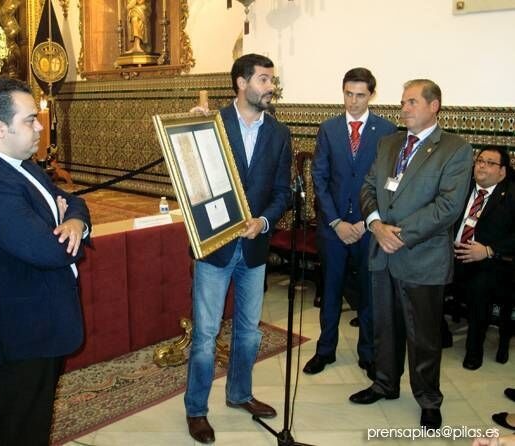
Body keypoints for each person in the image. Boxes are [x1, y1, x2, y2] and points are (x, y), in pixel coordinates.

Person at [0, 78, 91, 446]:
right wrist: (61, 226)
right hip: (14, 336)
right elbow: (49, 251)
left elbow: (73, 201)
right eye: (30, 120)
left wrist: (74, 221)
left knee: (32, 424)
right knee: (20, 431)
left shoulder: (17, 164)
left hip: (33, 324)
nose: (40, 126)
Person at [349, 79, 472, 430]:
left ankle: (429, 400)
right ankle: (384, 384)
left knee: (423, 337)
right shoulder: (389, 143)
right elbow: (368, 187)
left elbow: (448, 206)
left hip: (422, 257)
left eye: (412, 102)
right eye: (403, 102)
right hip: (382, 252)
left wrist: (398, 235)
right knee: (384, 328)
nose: (404, 108)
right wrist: (376, 225)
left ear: (434, 106)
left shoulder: (455, 148)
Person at [184, 53, 292, 444]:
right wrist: (192, 129)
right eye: (264, 79)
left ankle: (239, 393)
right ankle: (196, 410)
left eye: (271, 80)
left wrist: (263, 221)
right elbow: (189, 175)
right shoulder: (210, 123)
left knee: (248, 332)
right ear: (241, 83)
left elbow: (282, 192)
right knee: (206, 334)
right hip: (215, 248)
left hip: (255, 247)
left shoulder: (279, 133)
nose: (270, 87)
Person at [303, 68, 396, 379]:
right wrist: (335, 222)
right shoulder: (328, 129)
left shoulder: (386, 130)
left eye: (360, 95)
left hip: (369, 228)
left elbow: (388, 182)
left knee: (369, 293)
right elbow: (319, 177)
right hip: (334, 228)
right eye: (348, 94)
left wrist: (368, 221)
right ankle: (325, 349)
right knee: (330, 290)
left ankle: (368, 353)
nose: (353, 101)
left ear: (371, 95)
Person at [453, 146, 515, 370]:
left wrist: (488, 250)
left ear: (502, 172)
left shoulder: (510, 196)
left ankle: (474, 351)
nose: (482, 166)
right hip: (452, 255)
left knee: (479, 289)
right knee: (424, 277)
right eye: (480, 161)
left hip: (489, 262)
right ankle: (441, 334)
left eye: (490, 163)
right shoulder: (461, 187)